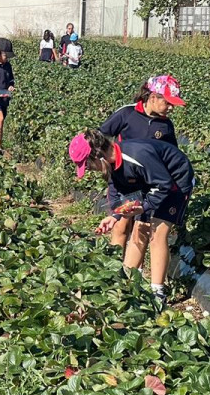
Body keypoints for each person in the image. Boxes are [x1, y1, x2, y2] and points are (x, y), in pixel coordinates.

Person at [69, 128, 194, 309]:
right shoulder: (112, 165)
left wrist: (143, 206)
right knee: (139, 231)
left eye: (86, 164)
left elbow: (164, 184)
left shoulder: (137, 155)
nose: (87, 169)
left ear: (97, 155)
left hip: (176, 182)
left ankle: (157, 293)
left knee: (157, 234)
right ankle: (124, 285)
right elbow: (119, 192)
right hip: (151, 184)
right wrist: (115, 216)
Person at [98, 74, 185, 253]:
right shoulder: (127, 114)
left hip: (148, 183)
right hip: (124, 178)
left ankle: (133, 270)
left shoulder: (165, 126)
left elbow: (171, 154)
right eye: (168, 103)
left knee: (142, 225)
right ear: (153, 97)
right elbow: (101, 137)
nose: (170, 108)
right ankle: (113, 266)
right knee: (121, 224)